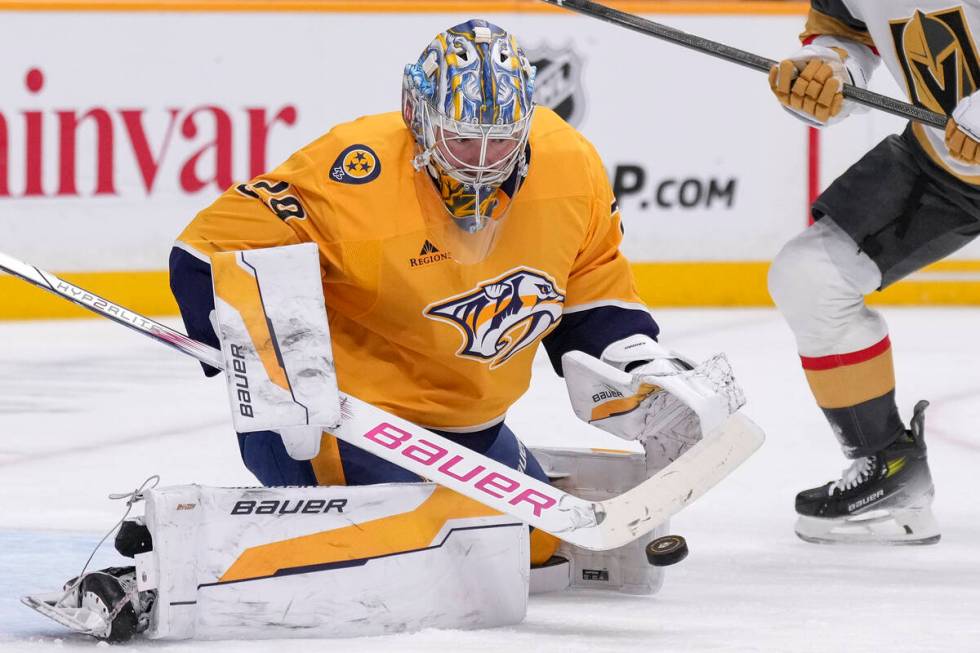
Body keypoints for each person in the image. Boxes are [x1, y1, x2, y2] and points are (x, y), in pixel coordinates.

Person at [169, 19, 696, 568]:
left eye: (503, 141)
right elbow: (204, 254)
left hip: (469, 425)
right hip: (345, 421)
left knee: (528, 548)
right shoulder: (352, 170)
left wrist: (633, 359)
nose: (484, 163)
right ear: (419, 118)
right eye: (464, 138)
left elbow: (590, 276)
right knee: (422, 553)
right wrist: (275, 376)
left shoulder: (569, 162)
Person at [765, 1, 980, 544]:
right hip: (946, 167)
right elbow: (846, 32)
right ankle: (888, 468)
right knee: (811, 277)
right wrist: (831, 71)